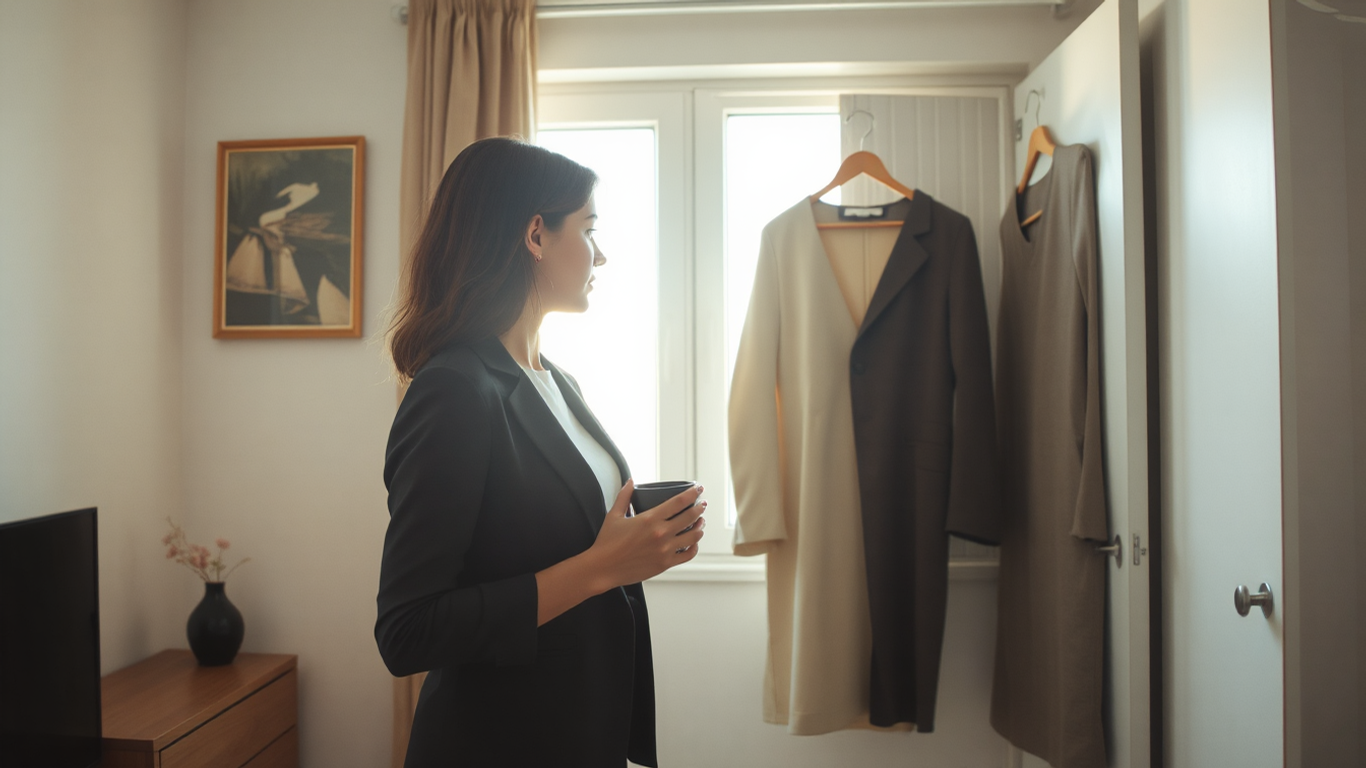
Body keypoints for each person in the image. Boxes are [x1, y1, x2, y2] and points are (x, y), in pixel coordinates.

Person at [376, 136, 706, 768]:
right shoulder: (454, 389)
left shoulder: (557, 380)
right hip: (496, 743)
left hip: (580, 731)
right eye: (589, 229)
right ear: (535, 234)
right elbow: (407, 631)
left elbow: (551, 535)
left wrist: (644, 541)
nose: (601, 255)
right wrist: (604, 567)